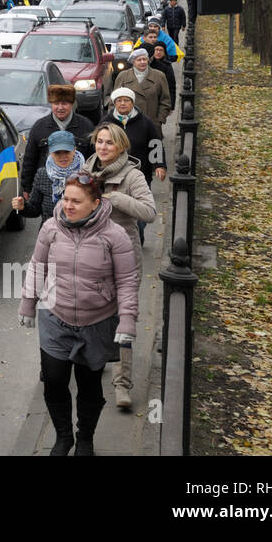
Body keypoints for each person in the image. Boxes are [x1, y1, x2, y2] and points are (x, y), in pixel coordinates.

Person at [19, 173, 138, 455]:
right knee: (54, 380)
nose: (68, 206)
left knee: (89, 387)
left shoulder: (115, 236)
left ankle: (85, 437)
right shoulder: (51, 227)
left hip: (96, 323)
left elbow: (127, 281)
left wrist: (127, 320)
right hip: (54, 318)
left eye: (76, 201)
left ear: (96, 203)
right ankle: (63, 437)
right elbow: (37, 266)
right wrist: (27, 303)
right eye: (65, 199)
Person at [84, 122, 156, 410]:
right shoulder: (85, 173)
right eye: (99, 142)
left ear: (121, 146)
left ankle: (122, 385)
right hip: (90, 257)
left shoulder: (133, 175)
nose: (103, 147)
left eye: (109, 143)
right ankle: (96, 359)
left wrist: (116, 198)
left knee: (121, 318)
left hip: (123, 257)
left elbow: (149, 212)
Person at [19, 84, 95, 200]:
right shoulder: (39, 127)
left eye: (64, 103)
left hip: (79, 187)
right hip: (47, 188)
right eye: (56, 103)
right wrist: (27, 187)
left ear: (72, 104)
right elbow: (30, 159)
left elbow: (93, 159)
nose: (60, 107)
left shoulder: (86, 126)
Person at [12, 130, 84, 221]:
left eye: (66, 152)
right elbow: (35, 210)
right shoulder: (42, 174)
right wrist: (23, 207)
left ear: (74, 150)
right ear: (50, 152)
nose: (63, 157)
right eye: (57, 152)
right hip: (50, 232)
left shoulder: (85, 173)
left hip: (79, 232)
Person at [110, 49, 171, 128]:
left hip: (151, 124)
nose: (142, 62)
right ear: (133, 62)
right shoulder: (123, 76)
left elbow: (165, 101)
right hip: (127, 124)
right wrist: (116, 120)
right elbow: (114, 100)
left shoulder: (159, 76)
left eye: (144, 59)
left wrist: (159, 120)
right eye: (139, 60)